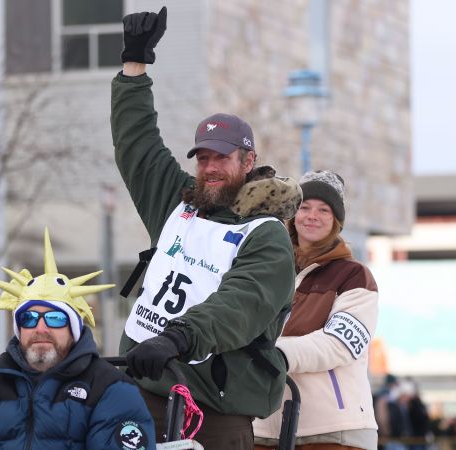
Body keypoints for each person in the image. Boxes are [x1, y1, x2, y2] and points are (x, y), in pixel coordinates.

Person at [112, 7, 301, 449]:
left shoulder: (266, 235)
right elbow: (137, 145)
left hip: (212, 410)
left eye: (221, 157)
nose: (210, 168)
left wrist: (178, 336)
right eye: (203, 158)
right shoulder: (180, 204)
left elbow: (240, 304)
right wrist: (134, 65)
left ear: (248, 161)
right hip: (144, 391)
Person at [0, 229, 156, 450]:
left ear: (73, 328)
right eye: (29, 318)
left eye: (54, 318)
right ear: (19, 328)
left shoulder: (110, 389)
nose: (40, 328)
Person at [253, 170, 380, 450]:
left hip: (333, 431)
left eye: (324, 210)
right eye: (304, 207)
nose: (312, 215)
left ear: (336, 221)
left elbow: (340, 344)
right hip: (261, 425)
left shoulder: (355, 276)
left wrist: (277, 354)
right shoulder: (267, 270)